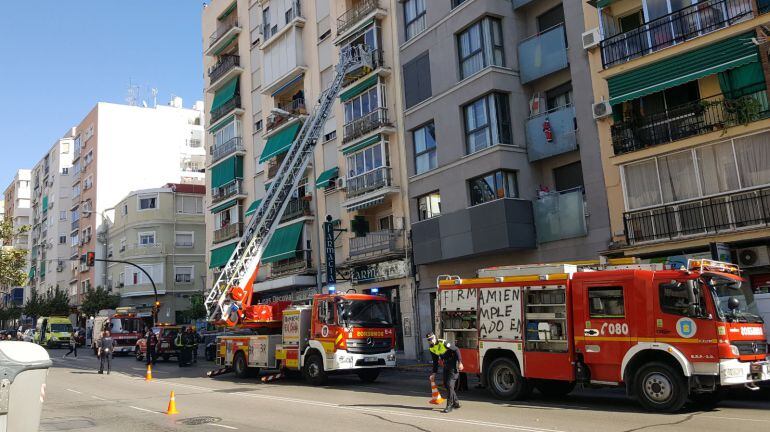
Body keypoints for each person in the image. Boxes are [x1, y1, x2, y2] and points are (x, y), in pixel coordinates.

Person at [426, 332, 463, 413]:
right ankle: (456, 402)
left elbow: (456, 349)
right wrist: (433, 374)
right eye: (429, 340)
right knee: (446, 385)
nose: (431, 341)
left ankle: (449, 405)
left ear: (435, 337)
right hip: (446, 365)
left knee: (450, 384)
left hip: (453, 364)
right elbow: (435, 362)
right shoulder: (432, 348)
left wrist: (460, 362)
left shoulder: (443, 342)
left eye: (432, 338)